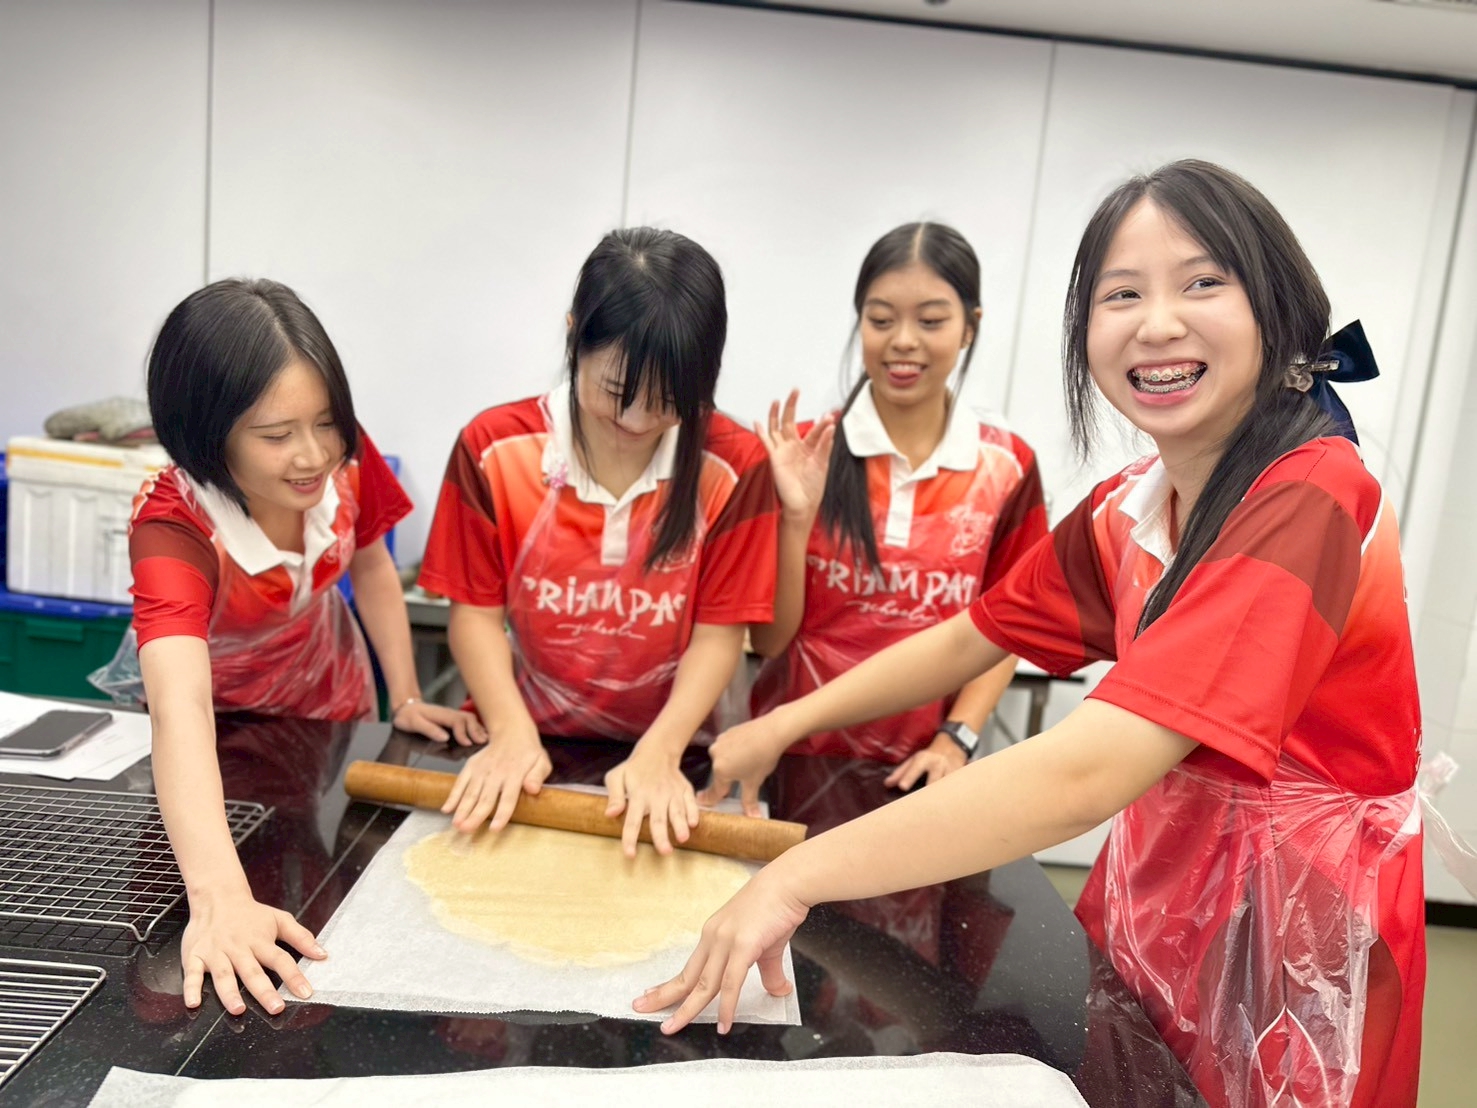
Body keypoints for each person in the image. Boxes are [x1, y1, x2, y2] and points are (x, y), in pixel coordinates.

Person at [636, 161, 1425, 1108]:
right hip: (1161, 904)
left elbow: (1090, 768)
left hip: (1296, 945)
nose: (1157, 322)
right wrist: (777, 726)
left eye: (1201, 282)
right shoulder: (1130, 509)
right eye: (1119, 294)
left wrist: (795, 876)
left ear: (1279, 309)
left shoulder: (1309, 493)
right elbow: (973, 633)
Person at [93, 278, 481, 1019]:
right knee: (218, 928)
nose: (312, 456)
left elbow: (370, 561)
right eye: (276, 436)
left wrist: (403, 698)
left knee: (329, 886)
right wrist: (219, 900)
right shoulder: (176, 528)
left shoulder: (340, 458)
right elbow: (181, 711)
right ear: (206, 433)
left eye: (326, 423)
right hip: (222, 726)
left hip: (324, 701)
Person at [418, 227, 778, 857]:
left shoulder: (735, 464)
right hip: (525, 743)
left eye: (669, 402)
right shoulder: (494, 448)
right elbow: (475, 616)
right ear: (572, 334)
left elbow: (720, 634)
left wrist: (662, 754)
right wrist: (508, 732)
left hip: (676, 751)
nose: (636, 423)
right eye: (616, 393)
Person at [709, 222, 1045, 812]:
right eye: (881, 319)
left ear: (971, 326)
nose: (903, 342)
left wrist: (956, 736)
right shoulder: (810, 452)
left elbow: (1010, 623)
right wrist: (795, 517)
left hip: (917, 776)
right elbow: (769, 640)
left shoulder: (1007, 467)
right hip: (789, 759)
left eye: (932, 321)